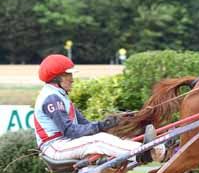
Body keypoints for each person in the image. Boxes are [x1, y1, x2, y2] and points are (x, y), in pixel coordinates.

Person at [34, 54, 164, 162]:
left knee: (104, 136)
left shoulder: (61, 96)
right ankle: (145, 153)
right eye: (69, 75)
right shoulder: (52, 99)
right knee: (99, 140)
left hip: (64, 143)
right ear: (57, 78)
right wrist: (101, 125)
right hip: (55, 146)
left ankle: (154, 149)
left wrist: (113, 122)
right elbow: (70, 131)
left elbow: (85, 125)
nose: (72, 80)